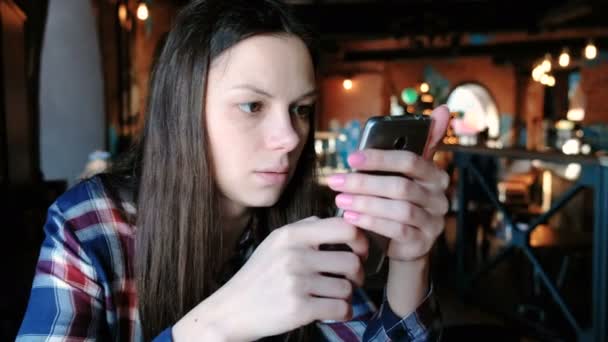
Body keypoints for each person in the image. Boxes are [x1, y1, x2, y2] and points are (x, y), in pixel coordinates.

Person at [17, 0, 450, 341]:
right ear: (183, 112)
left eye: (300, 109)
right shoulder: (91, 224)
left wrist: (412, 261)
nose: (291, 136)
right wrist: (219, 323)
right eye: (253, 105)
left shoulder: (303, 224)